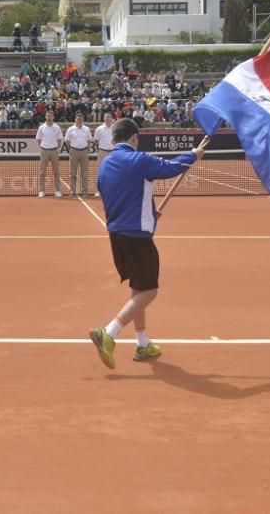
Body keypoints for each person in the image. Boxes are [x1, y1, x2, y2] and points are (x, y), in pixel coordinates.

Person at [89, 118, 203, 368]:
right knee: (150, 289)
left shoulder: (106, 165)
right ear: (133, 138)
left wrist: (150, 214)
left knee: (138, 289)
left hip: (117, 234)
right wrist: (193, 155)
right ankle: (109, 332)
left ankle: (142, 344)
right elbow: (172, 167)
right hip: (136, 235)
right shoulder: (139, 160)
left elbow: (117, 197)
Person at [35, 111, 63, 198]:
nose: (49, 117)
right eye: (48, 116)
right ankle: (42, 191)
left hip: (54, 151)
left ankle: (57, 191)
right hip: (44, 151)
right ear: (45, 117)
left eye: (51, 116)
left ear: (53, 117)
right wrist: (44, 147)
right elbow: (39, 139)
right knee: (42, 172)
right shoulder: (41, 127)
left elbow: (59, 140)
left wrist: (55, 147)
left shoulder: (57, 127)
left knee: (56, 172)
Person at [63, 113, 92, 197]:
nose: (79, 120)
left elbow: (89, 140)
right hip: (74, 152)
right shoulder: (70, 129)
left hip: (84, 152)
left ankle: (85, 191)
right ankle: (72, 191)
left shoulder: (87, 129)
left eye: (81, 119)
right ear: (75, 119)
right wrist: (71, 150)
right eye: (78, 119)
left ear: (83, 120)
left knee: (85, 173)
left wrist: (86, 149)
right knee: (72, 173)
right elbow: (67, 141)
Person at [93, 112, 116, 198]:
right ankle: (99, 191)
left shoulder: (115, 128)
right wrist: (101, 148)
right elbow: (96, 141)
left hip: (113, 152)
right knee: (101, 172)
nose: (107, 119)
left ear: (111, 118)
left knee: (114, 171)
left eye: (109, 117)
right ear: (103, 118)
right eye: (105, 117)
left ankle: (113, 191)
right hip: (102, 152)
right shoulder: (99, 129)